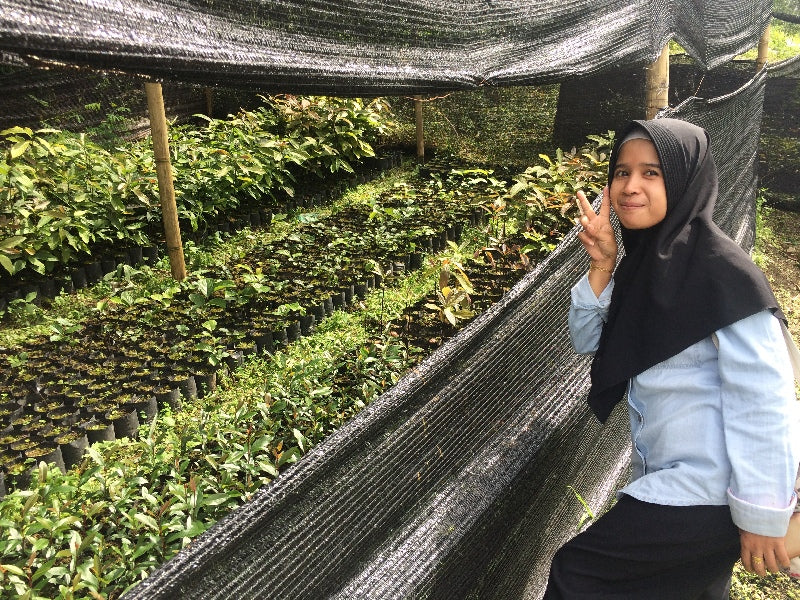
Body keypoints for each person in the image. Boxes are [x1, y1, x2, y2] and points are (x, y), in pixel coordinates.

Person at [543, 117, 800, 599]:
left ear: (685, 180)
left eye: (652, 173)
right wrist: (603, 265)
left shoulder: (722, 274)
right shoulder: (649, 265)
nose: (630, 186)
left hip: (709, 490)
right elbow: (588, 340)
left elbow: (765, 397)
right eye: (621, 172)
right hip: (670, 477)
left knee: (577, 574)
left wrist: (763, 514)